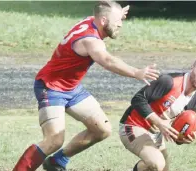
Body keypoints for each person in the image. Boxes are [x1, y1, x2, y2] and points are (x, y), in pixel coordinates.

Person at [13, 1, 160, 171]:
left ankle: (57, 161)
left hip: (72, 88)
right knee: (54, 140)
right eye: (117, 21)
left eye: (121, 19)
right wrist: (136, 72)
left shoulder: (93, 19)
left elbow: (102, 8)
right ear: (104, 21)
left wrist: (117, 12)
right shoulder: (91, 40)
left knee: (102, 130)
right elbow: (108, 60)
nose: (120, 24)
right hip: (51, 87)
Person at [119, 55, 196, 171]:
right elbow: (137, 99)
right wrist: (159, 122)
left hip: (155, 134)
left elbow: (177, 131)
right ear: (192, 67)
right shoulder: (169, 82)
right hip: (133, 125)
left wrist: (183, 138)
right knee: (157, 164)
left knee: (162, 168)